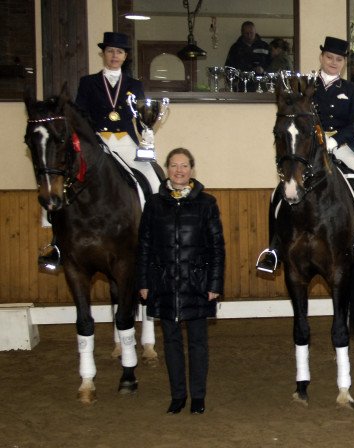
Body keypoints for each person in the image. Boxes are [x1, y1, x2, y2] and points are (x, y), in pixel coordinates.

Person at [257, 36, 354, 273]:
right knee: (277, 193)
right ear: (322, 57)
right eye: (330, 57)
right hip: (310, 150)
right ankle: (273, 250)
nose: (334, 62)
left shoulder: (351, 89)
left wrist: (335, 140)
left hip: (342, 147)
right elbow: (293, 115)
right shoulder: (304, 87)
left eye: (339, 59)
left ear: (344, 62)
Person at [136, 148, 225, 415]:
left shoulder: (207, 203)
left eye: (184, 166)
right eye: (174, 166)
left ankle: (198, 397)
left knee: (198, 343)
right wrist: (143, 281)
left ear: (191, 170)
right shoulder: (153, 204)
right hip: (164, 285)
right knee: (171, 342)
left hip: (197, 285)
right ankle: (178, 396)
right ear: (167, 169)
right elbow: (144, 246)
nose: (179, 171)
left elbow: (217, 248)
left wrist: (214, 284)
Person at [75, 32, 161, 200]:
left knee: (154, 182)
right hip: (99, 142)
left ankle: (151, 221)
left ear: (125, 56)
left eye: (119, 52)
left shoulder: (134, 85)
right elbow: (81, 115)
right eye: (110, 51)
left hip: (125, 142)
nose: (115, 56)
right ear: (103, 54)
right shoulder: (88, 83)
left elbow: (140, 117)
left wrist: (146, 134)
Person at [225, 21, 271, 90]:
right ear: (242, 33)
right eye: (246, 33)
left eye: (251, 33)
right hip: (240, 85)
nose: (249, 36)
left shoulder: (264, 46)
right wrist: (232, 81)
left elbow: (271, 64)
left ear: (255, 31)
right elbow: (229, 66)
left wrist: (263, 69)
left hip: (260, 85)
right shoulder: (235, 48)